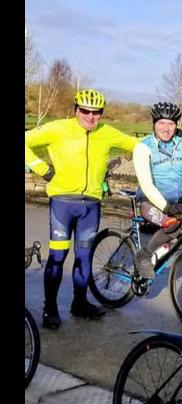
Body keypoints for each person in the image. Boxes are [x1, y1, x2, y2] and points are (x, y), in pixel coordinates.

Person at [25, 89, 140, 329]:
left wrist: (169, 137)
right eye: (85, 111)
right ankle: (50, 308)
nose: (90, 116)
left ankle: (79, 303)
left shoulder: (106, 133)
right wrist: (42, 170)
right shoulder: (58, 128)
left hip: (91, 205)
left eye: (96, 112)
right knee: (57, 257)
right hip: (63, 203)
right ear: (75, 110)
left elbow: (138, 144)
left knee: (84, 256)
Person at [132, 102, 182, 279]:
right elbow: (146, 185)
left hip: (176, 204)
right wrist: (167, 207)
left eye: (171, 123)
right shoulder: (143, 147)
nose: (166, 128)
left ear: (177, 125)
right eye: (161, 123)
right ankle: (145, 254)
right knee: (173, 223)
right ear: (154, 123)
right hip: (150, 202)